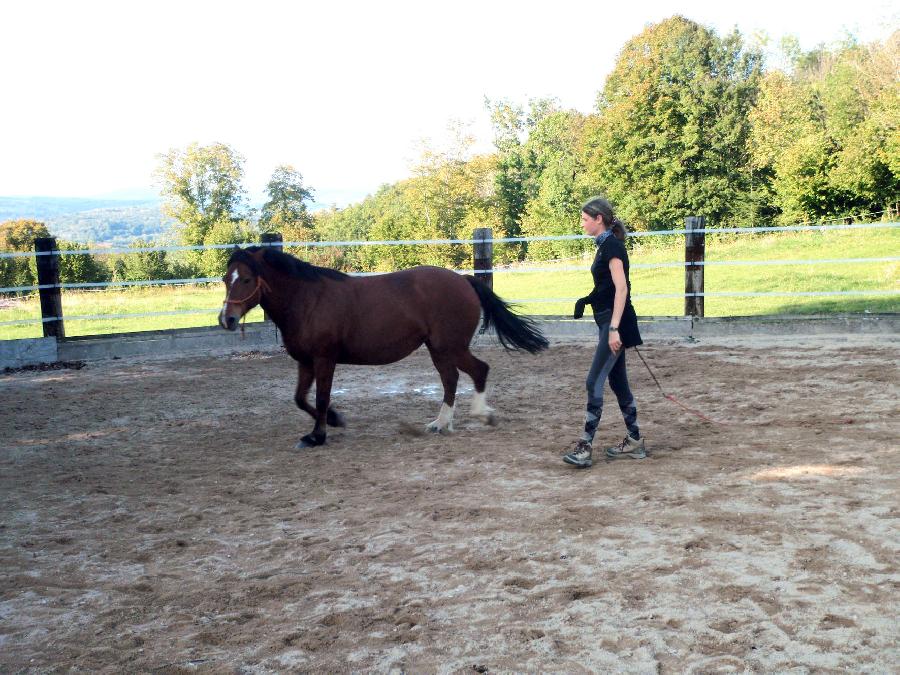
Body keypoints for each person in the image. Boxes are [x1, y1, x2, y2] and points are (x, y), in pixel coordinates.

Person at [562, 197, 645, 469]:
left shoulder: (611, 247)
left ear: (599, 219)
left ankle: (585, 447)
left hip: (614, 323)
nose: (582, 223)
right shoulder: (605, 246)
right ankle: (635, 441)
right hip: (610, 321)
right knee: (618, 383)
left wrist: (613, 329)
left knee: (593, 381)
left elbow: (622, 289)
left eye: (585, 219)